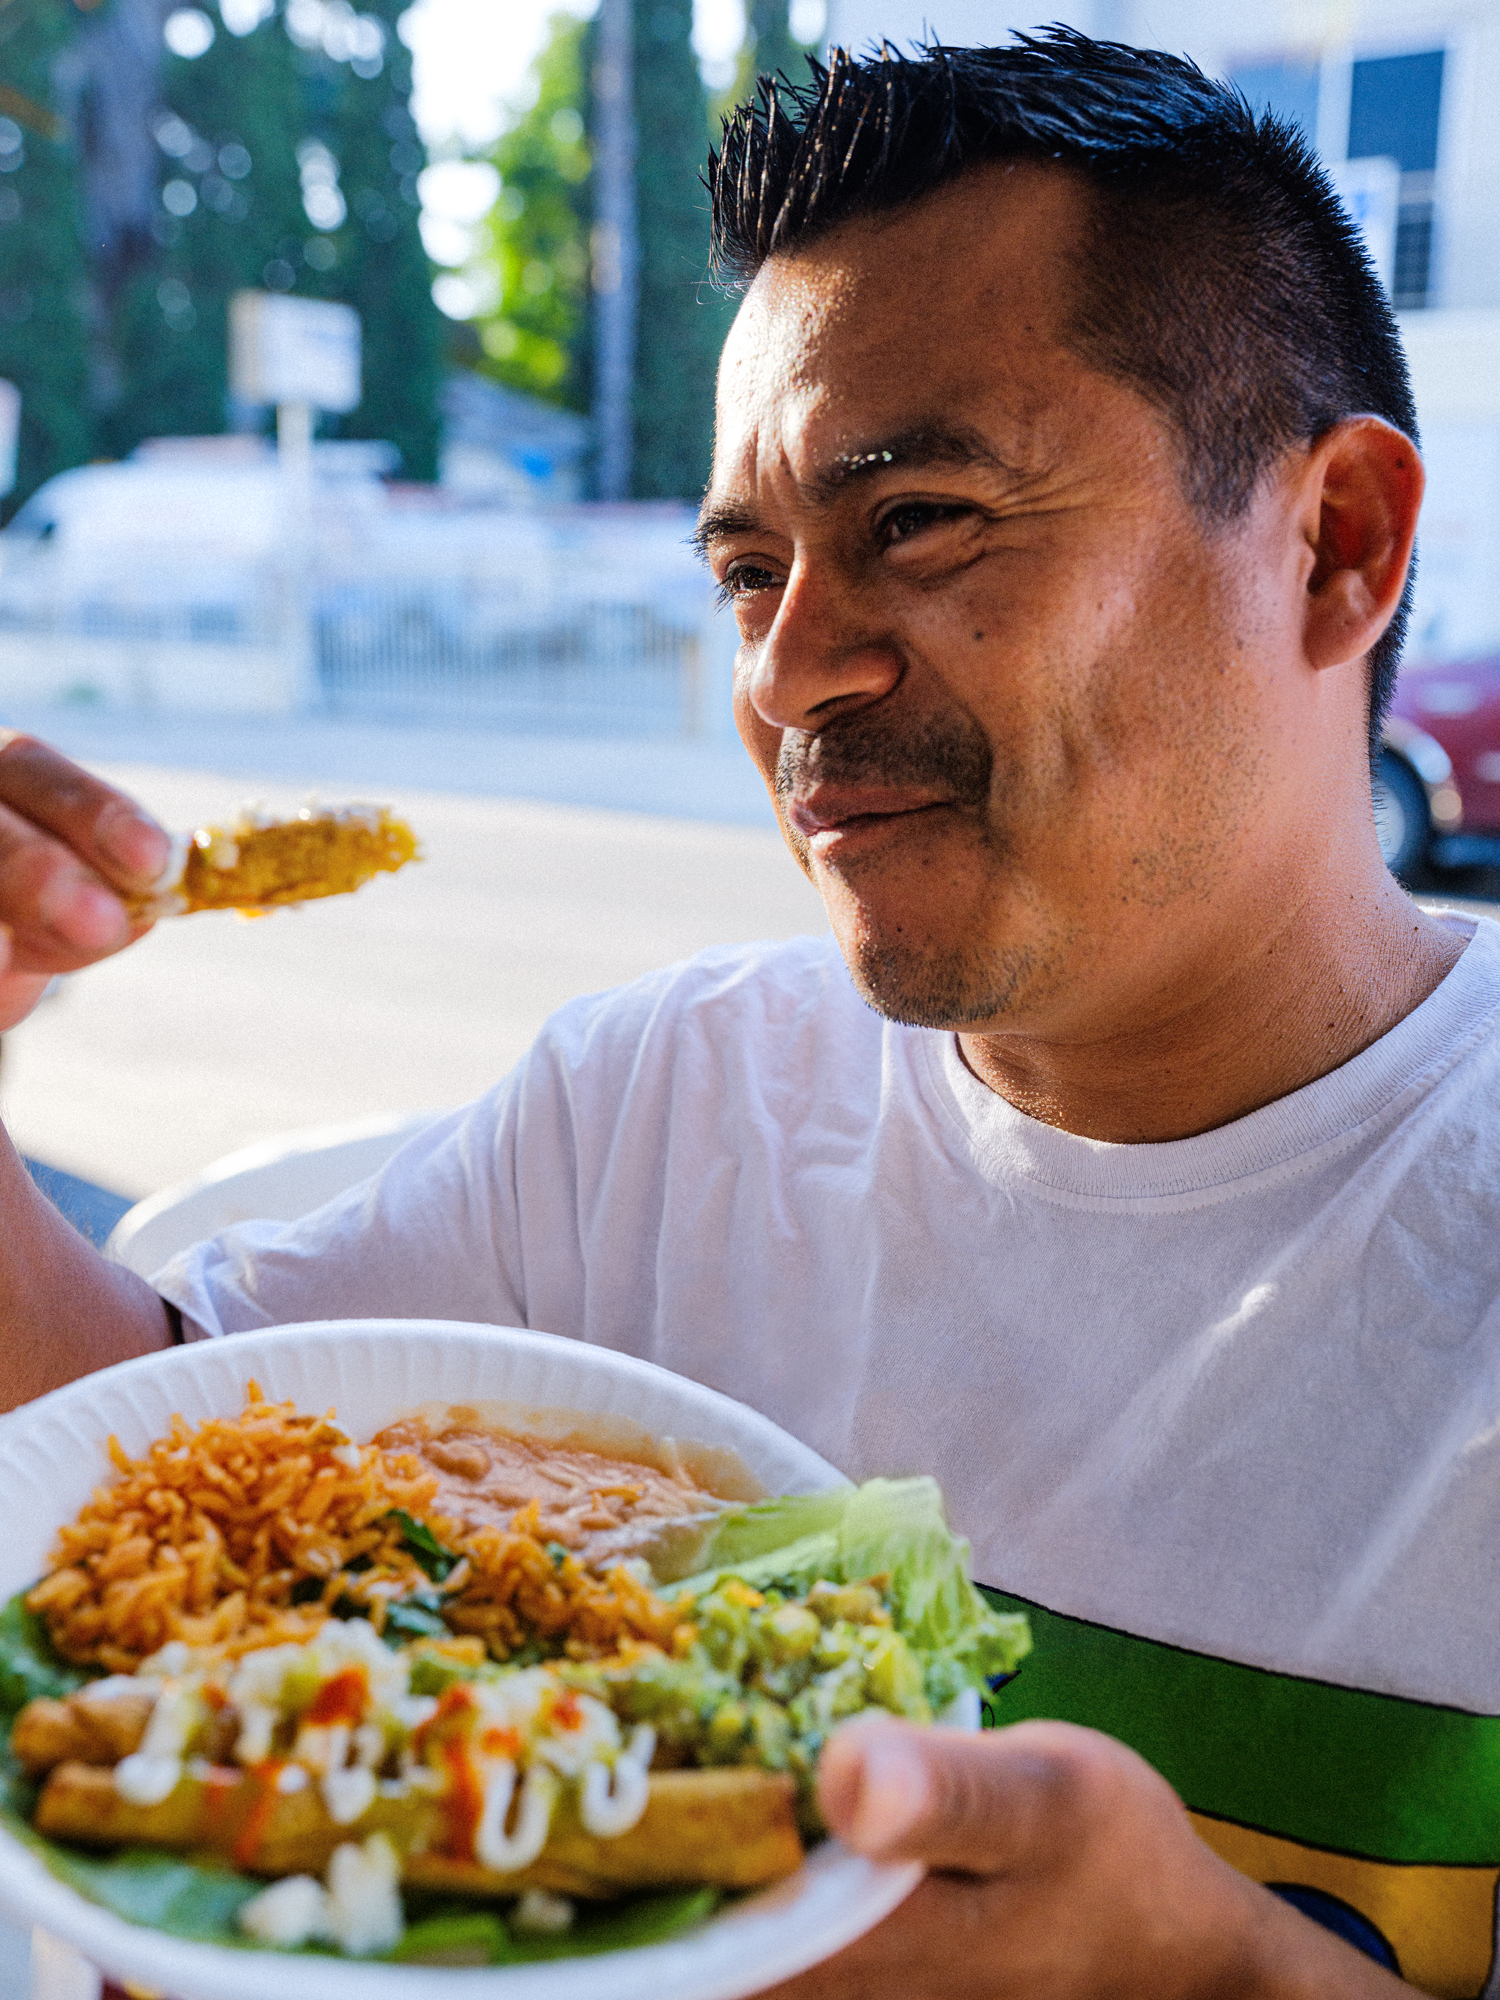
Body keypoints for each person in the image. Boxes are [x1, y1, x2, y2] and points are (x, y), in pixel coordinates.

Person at [0, 25, 1492, 1996]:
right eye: (746, 566)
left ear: (1337, 545)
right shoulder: (654, 1109)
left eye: (926, 522)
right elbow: (112, 1445)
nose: (787, 674)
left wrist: (1241, 1969)